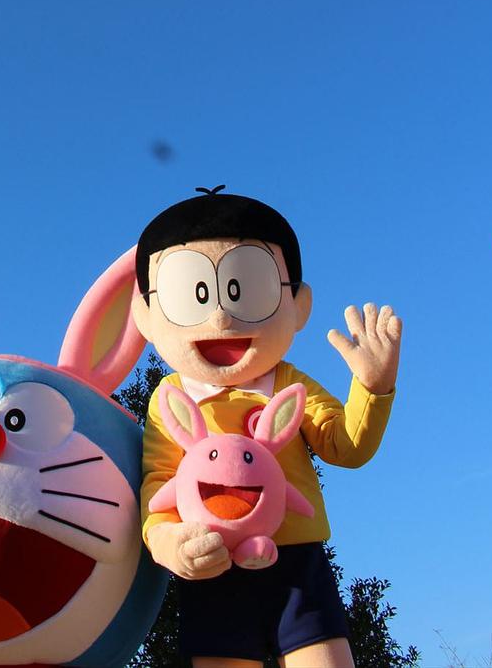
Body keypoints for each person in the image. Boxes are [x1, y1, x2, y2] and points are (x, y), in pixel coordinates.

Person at [129, 187, 402, 668]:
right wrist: (170, 543)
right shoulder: (170, 399)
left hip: (297, 562)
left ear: (298, 303)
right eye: (195, 296)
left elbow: (346, 446)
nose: (220, 315)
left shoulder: (288, 384)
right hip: (212, 562)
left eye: (244, 291)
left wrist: (372, 388)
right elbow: (157, 486)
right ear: (146, 315)